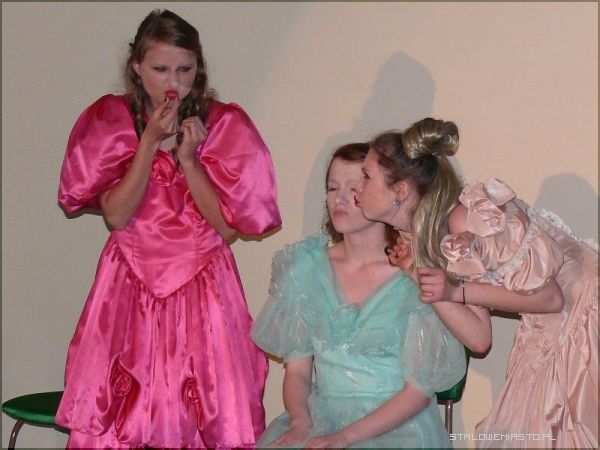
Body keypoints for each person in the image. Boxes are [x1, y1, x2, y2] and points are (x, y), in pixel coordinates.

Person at [55, 9, 281, 448]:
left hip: (203, 287)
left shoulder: (223, 124)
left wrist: (189, 161)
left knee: (202, 408)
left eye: (185, 69)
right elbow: (116, 216)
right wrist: (149, 142)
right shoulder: (113, 120)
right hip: (128, 286)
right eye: (160, 69)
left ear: (199, 68)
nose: (173, 82)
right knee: (123, 408)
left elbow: (228, 229)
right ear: (137, 67)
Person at [355, 118, 598, 448]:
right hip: (553, 329)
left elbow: (551, 298)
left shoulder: (467, 219)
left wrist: (455, 291)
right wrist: (419, 274)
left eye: (366, 176)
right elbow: (479, 338)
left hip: (584, 318)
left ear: (400, 191)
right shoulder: (429, 235)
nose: (357, 187)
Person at [252, 143, 466, 448]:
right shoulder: (305, 267)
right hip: (320, 417)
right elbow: (298, 371)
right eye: (332, 188)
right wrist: (301, 423)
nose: (339, 198)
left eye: (354, 187)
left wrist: (345, 437)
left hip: (397, 426)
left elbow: (418, 392)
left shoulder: (414, 275)